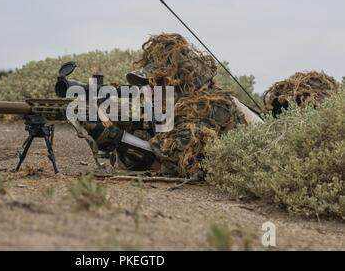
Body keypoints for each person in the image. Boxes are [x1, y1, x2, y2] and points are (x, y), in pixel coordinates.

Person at [83, 33, 262, 177]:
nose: (149, 90)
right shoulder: (174, 106)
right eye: (147, 84)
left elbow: (170, 163)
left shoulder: (207, 106)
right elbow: (155, 135)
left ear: (177, 83)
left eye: (157, 84)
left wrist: (116, 137)